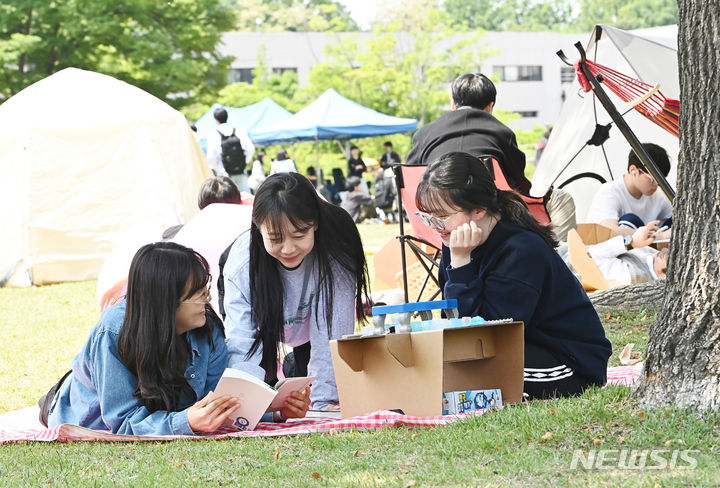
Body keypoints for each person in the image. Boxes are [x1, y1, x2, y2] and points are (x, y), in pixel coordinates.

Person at [46, 242, 311, 435]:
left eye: (205, 289)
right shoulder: (113, 333)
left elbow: (214, 400)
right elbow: (122, 423)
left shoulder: (207, 328)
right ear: (166, 302)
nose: (207, 299)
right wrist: (187, 422)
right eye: (197, 293)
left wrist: (275, 410)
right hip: (85, 415)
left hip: (164, 407)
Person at [415, 152, 611, 399]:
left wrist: (462, 264)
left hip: (568, 361)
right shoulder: (455, 241)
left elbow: (490, 333)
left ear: (479, 210)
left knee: (452, 372)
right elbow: (455, 323)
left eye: (442, 217)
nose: (435, 226)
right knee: (429, 366)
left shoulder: (521, 250)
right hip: (505, 347)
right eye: (428, 216)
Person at [223, 172, 370, 409]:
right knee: (262, 391)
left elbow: (331, 335)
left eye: (300, 234)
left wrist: (324, 404)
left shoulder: (337, 252)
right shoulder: (241, 265)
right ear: (258, 229)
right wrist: (245, 406)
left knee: (315, 395)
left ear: (315, 224)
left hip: (312, 327)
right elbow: (242, 342)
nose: (289, 248)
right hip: (265, 324)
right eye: (275, 238)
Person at [406, 73, 532, 195]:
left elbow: (408, 179)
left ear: (453, 105)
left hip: (435, 211)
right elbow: (520, 183)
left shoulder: (423, 134)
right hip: (487, 210)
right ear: (490, 106)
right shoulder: (503, 133)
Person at [586, 143, 673, 240]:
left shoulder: (657, 196)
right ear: (633, 171)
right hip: (606, 250)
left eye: (661, 181)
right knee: (630, 221)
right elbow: (608, 230)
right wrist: (658, 237)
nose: (656, 185)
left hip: (644, 249)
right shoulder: (609, 192)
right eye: (653, 179)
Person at [559, 224, 670, 286]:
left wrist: (631, 242)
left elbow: (587, 258)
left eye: (665, 256)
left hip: (560, 261)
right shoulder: (652, 263)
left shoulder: (630, 275)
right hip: (563, 250)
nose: (664, 249)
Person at [206, 108, 255, 193]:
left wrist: (219, 170)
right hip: (240, 172)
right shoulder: (239, 131)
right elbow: (250, 148)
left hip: (224, 176)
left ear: (216, 120)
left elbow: (211, 158)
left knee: (229, 202)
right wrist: (244, 162)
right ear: (227, 117)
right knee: (245, 198)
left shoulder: (213, 134)